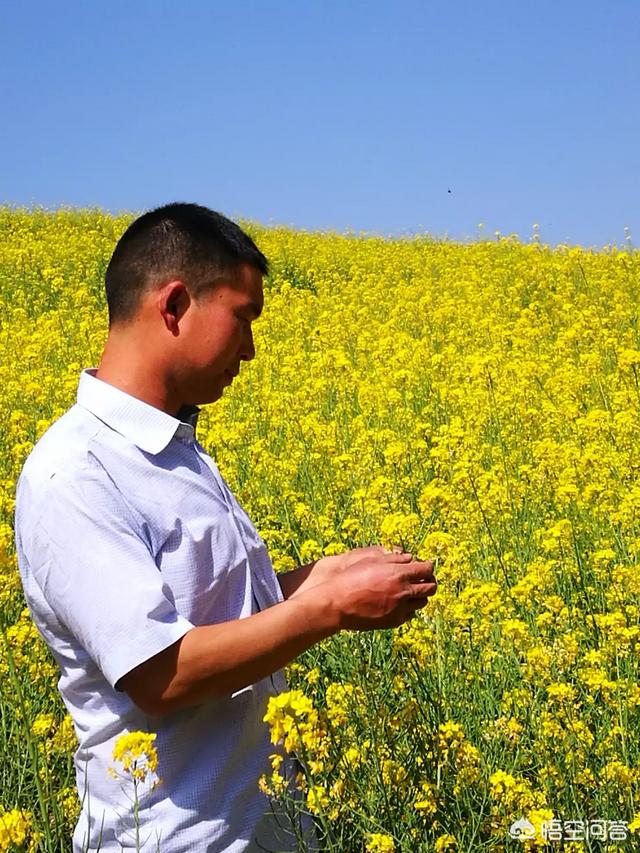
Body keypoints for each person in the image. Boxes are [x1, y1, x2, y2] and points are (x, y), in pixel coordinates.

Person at [14, 203, 437, 853]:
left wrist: (317, 579)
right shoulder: (76, 472)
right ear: (175, 304)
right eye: (243, 318)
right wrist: (328, 608)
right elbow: (161, 672)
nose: (251, 348)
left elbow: (211, 614)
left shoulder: (176, 451)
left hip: (263, 830)